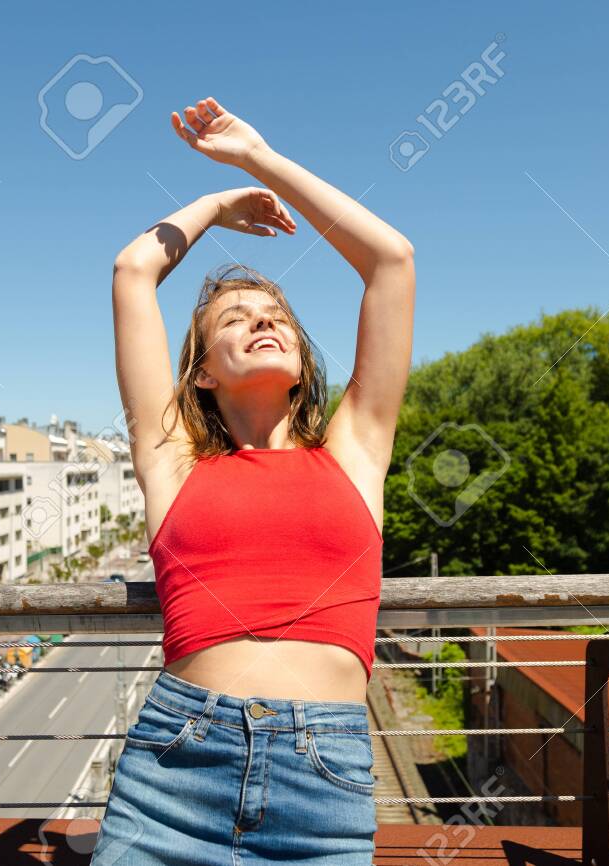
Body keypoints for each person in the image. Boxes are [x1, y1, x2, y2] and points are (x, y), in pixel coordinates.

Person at [95, 96, 414, 864]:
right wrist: (215, 202)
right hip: (173, 770)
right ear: (202, 374)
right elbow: (134, 271)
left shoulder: (355, 452)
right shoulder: (172, 462)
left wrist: (258, 158)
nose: (262, 321)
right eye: (235, 318)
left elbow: (391, 262)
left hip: (324, 782)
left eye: (275, 315)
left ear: (302, 362)